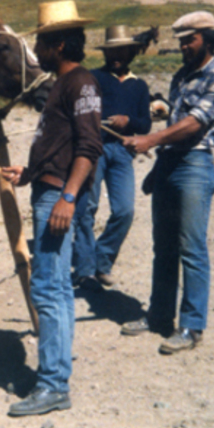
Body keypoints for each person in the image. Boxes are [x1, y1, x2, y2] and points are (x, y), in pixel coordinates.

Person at [0, 0, 103, 417]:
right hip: (48, 188)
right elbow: (63, 146)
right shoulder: (63, 84)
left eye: (41, 41)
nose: (36, 50)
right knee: (54, 288)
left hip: (58, 198)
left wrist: (67, 196)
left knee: (50, 289)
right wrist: (30, 173)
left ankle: (53, 384)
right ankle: (53, 379)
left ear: (58, 45)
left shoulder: (81, 84)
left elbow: (90, 146)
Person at [121, 11, 214, 354]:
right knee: (164, 246)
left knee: (191, 247)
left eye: (191, 40)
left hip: (195, 164)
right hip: (170, 164)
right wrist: (157, 169)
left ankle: (191, 326)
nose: (184, 46)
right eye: (181, 41)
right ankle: (159, 316)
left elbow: (194, 124)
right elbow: (176, 119)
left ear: (208, 39)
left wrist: (150, 140)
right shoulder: (181, 76)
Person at [72, 25, 151, 289]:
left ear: (131, 52)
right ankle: (84, 269)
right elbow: (81, 109)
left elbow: (145, 125)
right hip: (94, 148)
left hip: (123, 152)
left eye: (121, 51)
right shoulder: (93, 78)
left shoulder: (139, 86)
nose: (116, 56)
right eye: (111, 51)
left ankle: (101, 259)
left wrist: (128, 120)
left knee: (125, 210)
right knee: (86, 209)